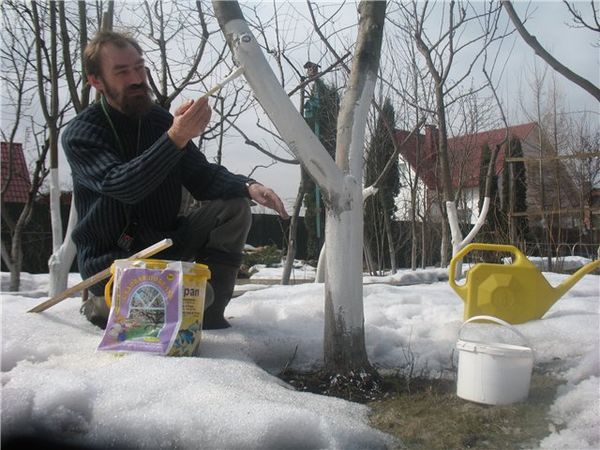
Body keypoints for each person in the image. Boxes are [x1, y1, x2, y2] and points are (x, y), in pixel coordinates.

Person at [63, 31, 288, 330]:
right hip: (113, 266)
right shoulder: (82, 134)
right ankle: (104, 305)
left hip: (167, 248)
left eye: (139, 67)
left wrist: (249, 186)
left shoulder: (158, 120)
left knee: (234, 207)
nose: (136, 78)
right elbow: (122, 186)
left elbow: (201, 176)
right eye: (122, 72)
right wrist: (175, 137)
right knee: (190, 297)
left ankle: (209, 317)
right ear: (96, 81)